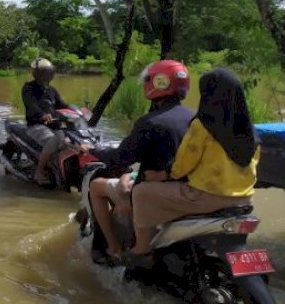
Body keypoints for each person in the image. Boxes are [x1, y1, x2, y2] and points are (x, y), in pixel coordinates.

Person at [128, 68, 259, 266]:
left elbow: (182, 165)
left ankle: (142, 249)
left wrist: (161, 175)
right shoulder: (251, 132)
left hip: (205, 198)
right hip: (244, 200)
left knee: (140, 192)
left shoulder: (202, 126)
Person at [88, 60, 194, 264]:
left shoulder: (150, 122)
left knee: (96, 186)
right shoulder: (196, 118)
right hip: (190, 190)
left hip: (155, 193)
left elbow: (119, 159)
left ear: (158, 83)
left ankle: (113, 249)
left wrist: (94, 150)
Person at [21, 58, 69, 185]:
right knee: (52, 140)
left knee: (68, 142)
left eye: (48, 72)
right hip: (36, 125)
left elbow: (63, 105)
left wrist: (77, 112)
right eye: (43, 72)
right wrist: (42, 115)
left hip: (54, 125)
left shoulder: (51, 90)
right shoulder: (28, 88)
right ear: (36, 73)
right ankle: (39, 172)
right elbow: (31, 105)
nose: (46, 75)